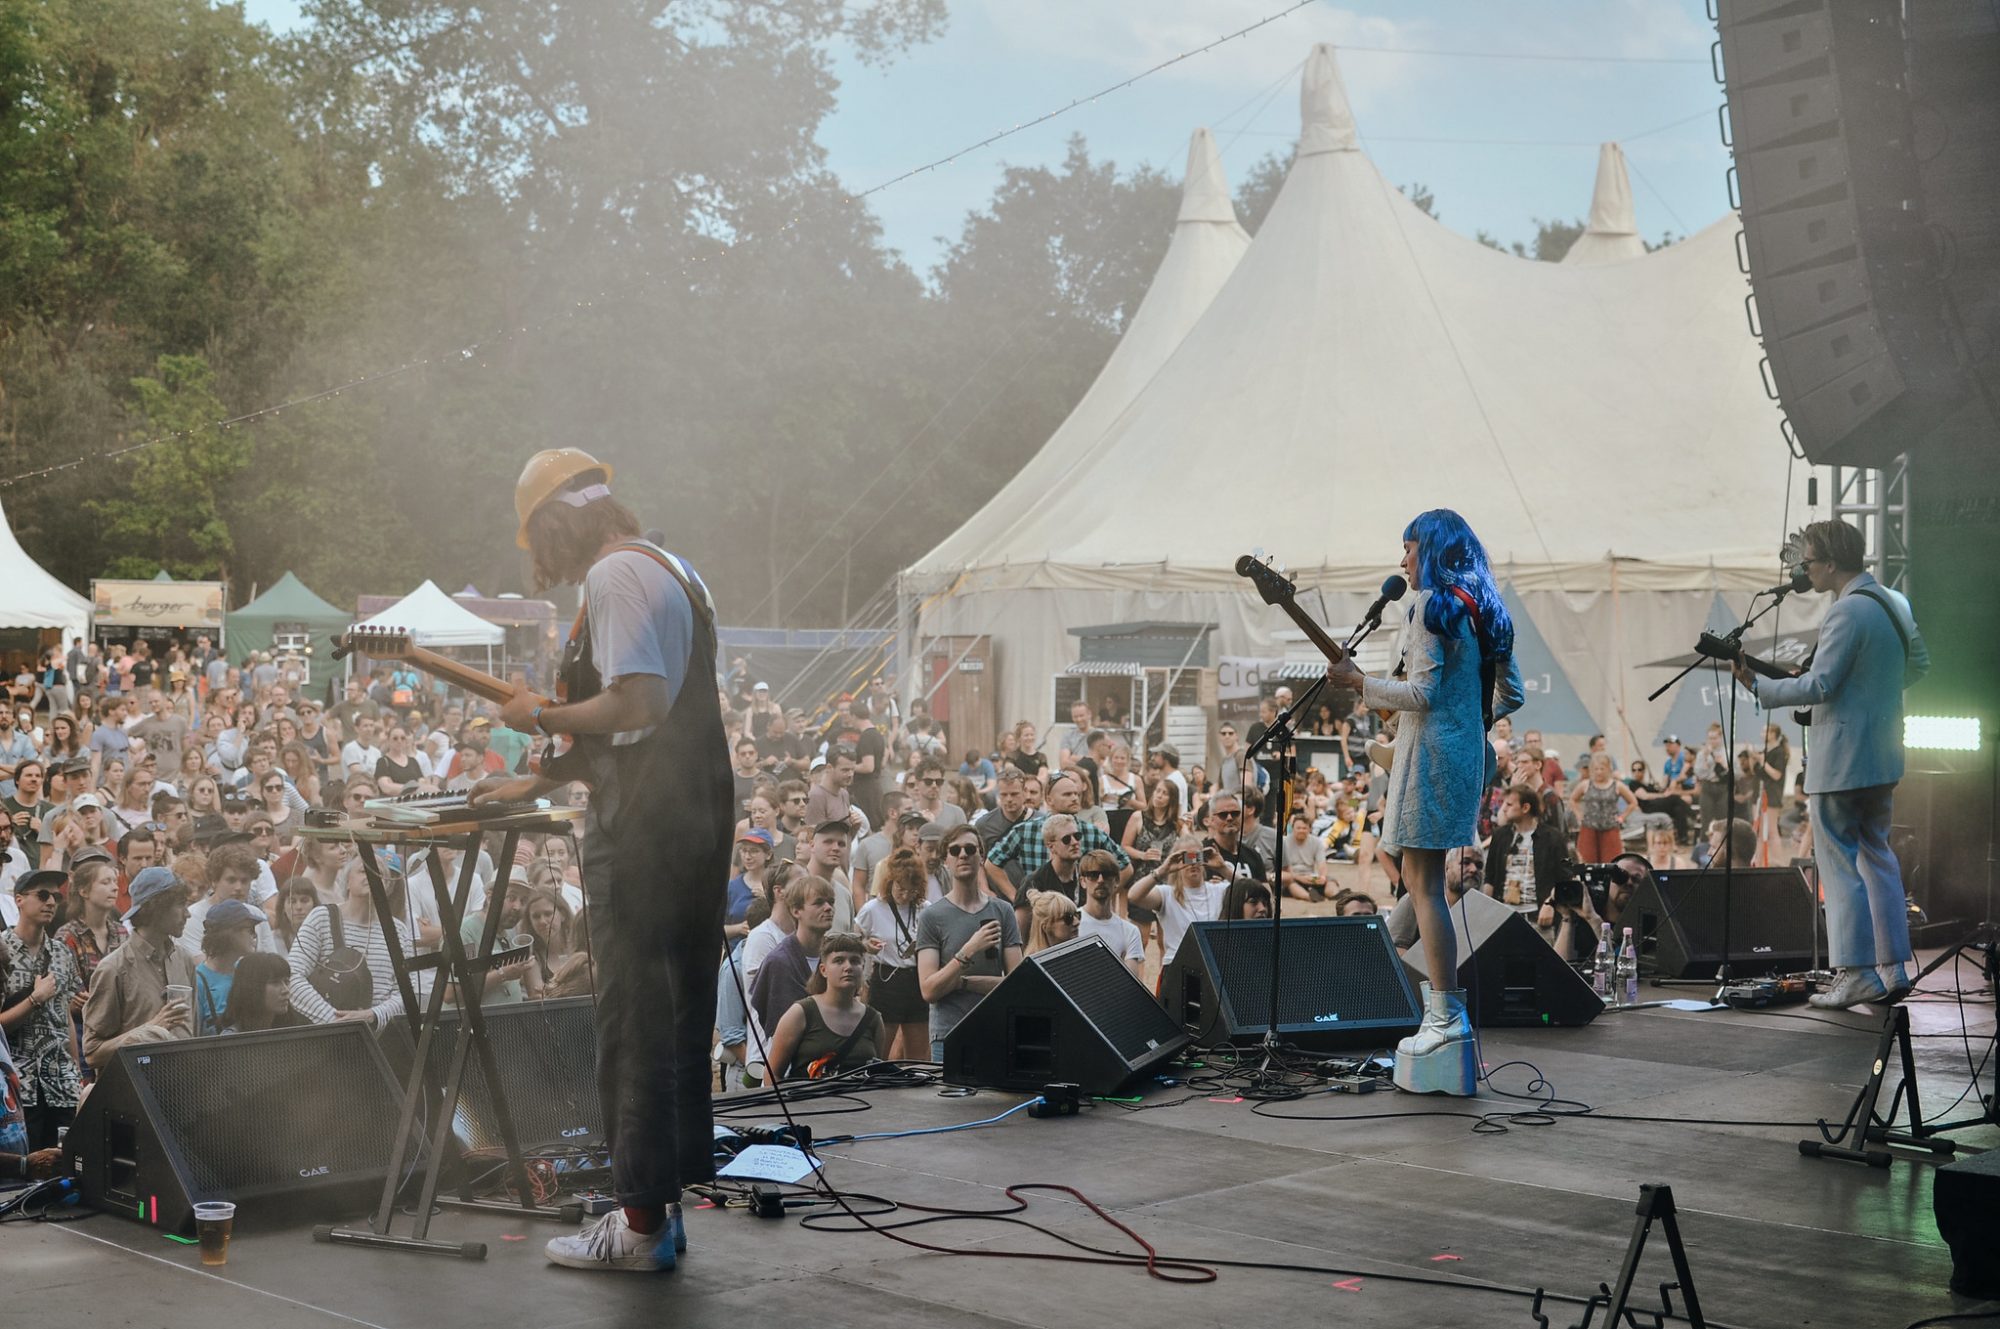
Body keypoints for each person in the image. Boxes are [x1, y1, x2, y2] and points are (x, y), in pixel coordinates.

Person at [475, 448, 732, 1272]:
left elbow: (637, 701)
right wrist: (535, 777)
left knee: (631, 1021)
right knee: (675, 1010)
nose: (536, 562)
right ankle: (661, 1205)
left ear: (556, 522)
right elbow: (633, 729)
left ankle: (639, 1226)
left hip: (645, 833)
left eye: (533, 542)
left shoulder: (614, 578)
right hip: (689, 819)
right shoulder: (671, 566)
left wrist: (542, 712)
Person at [1323, 509, 1522, 1095]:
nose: (1402, 560)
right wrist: (1469, 725)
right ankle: (1434, 1006)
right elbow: (1510, 693)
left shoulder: (1429, 606)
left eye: (1408, 547)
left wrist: (1360, 684)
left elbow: (1422, 691)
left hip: (1429, 762)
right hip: (1460, 759)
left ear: (1432, 549)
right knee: (1421, 884)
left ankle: (1444, 1016)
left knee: (1425, 886)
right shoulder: (1484, 605)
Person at [1732, 521, 1927, 1008]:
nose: (1805, 569)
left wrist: (1758, 685)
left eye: (1810, 561)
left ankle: (1856, 971)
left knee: (1839, 867)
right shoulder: (1894, 602)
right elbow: (1918, 665)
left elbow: (1820, 687)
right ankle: (1893, 967)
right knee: (1878, 857)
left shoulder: (1845, 612)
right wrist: (1870, 696)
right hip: (1883, 753)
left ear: (1832, 563)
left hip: (1841, 759)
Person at [915, 824, 1021, 1060]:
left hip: (994, 1031)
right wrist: (969, 949)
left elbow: (1017, 985)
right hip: (948, 1034)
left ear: (981, 857)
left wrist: (963, 983)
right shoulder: (932, 916)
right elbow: (929, 989)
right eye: (955, 851)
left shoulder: (1003, 911)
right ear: (946, 861)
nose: (963, 855)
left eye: (970, 849)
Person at [81, 866, 194, 1067]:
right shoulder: (114, 968)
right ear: (157, 908)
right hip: (135, 1092)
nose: (188, 914)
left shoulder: (183, 959)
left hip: (184, 1086)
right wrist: (149, 1030)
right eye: (180, 906)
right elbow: (92, 1055)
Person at [1, 870, 84, 1147]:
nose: (51, 902)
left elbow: (66, 1019)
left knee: (65, 1169)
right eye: (43, 895)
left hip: (61, 1083)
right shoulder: (2, 950)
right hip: (18, 1087)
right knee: (25, 1174)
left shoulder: (62, 953)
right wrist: (35, 999)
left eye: (56, 896)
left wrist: (76, 1072)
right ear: (19, 900)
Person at [763, 931, 884, 1081]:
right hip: (808, 1102)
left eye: (855, 961)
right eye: (839, 961)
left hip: (862, 1103)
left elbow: (878, 1072)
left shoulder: (873, 1019)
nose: (848, 967)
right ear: (823, 970)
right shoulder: (801, 1013)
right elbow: (772, 1074)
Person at [855, 848, 931, 1061]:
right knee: (881, 1047)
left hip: (916, 979)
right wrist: (867, 946)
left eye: (911, 890)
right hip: (886, 979)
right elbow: (855, 940)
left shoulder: (926, 909)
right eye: (900, 888)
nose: (905, 895)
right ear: (890, 882)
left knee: (918, 1053)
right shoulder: (873, 909)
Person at [747, 875, 836, 1038]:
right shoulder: (780, 962)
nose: (828, 908)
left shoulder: (835, 957)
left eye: (831, 902)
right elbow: (780, 1030)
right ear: (796, 911)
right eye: (818, 903)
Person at [1125, 835, 1226, 969]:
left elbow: (1255, 891)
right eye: (1187, 858)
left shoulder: (1219, 889)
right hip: (1178, 965)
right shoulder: (1167, 894)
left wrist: (1223, 868)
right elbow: (1133, 896)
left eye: (1198, 857)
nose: (1193, 862)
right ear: (1177, 861)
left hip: (1213, 964)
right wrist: (1162, 870)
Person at [192, 899, 266, 1036]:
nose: (254, 935)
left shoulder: (247, 973)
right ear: (229, 933)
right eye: (249, 929)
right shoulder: (198, 982)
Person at [1075, 851, 1145, 978]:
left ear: (1117, 881)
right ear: (1083, 881)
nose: (1100, 880)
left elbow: (1132, 983)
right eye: (1093, 875)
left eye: (1107, 875)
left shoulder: (1130, 931)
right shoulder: (1071, 923)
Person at [1569, 753, 1638, 863]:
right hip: (1589, 828)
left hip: (1610, 828)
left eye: (1602, 769)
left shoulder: (1617, 785)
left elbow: (1633, 802)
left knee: (1611, 862)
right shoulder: (1585, 784)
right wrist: (1579, 815)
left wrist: (1622, 817)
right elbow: (1572, 799)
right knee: (1587, 862)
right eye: (1596, 769)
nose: (1599, 772)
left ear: (1608, 769)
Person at [218, 951, 301, 1032]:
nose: (286, 990)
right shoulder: (233, 1039)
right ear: (252, 988)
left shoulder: (299, 1028)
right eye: (275, 982)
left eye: (286, 982)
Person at [1022, 889, 1080, 955]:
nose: (1077, 922)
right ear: (1045, 927)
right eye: (1068, 918)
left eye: (1077, 915)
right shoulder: (1032, 963)